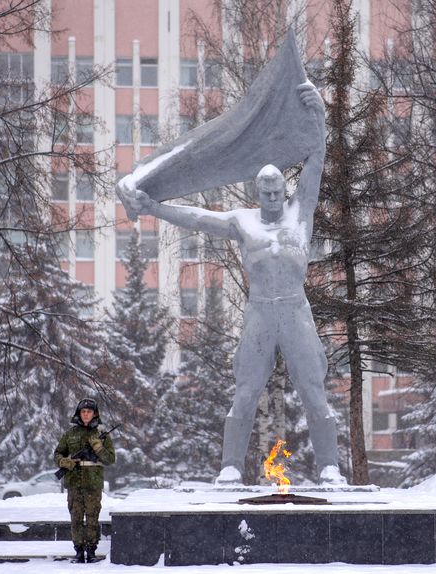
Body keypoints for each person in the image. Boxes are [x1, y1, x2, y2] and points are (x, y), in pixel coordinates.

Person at [123, 83, 344, 486]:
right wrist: (154, 207)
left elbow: (316, 158)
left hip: (295, 310)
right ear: (257, 193)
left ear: (285, 190)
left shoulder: (301, 213)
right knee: (246, 391)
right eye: (266, 192)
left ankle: (329, 466)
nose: (273, 197)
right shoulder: (243, 222)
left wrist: (318, 117)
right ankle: (231, 465)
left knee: (313, 389)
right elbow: (197, 218)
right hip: (260, 311)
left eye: (278, 191)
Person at [54, 398, 116, 563]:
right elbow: (57, 453)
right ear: (79, 413)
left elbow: (110, 459)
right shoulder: (70, 434)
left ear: (94, 414)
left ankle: (91, 550)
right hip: (74, 482)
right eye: (83, 411)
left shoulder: (101, 435)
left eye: (89, 411)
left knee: (92, 518)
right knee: (76, 518)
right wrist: (63, 462)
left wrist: (98, 448)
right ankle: (79, 551)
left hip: (93, 483)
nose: (86, 414)